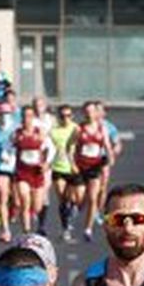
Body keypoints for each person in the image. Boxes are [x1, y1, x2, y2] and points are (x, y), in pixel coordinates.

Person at [11, 106, 54, 242]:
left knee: (37, 206)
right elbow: (8, 149)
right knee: (25, 200)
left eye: (29, 116)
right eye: (24, 116)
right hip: (22, 172)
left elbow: (51, 149)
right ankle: (27, 233)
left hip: (36, 173)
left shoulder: (40, 133)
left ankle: (31, 217)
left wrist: (46, 164)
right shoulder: (16, 134)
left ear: (33, 118)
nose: (26, 119)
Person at [70, 104, 111, 241]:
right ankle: (76, 207)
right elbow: (69, 147)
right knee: (80, 198)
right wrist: (72, 163)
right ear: (83, 113)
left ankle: (88, 229)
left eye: (91, 111)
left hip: (95, 166)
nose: (89, 114)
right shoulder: (79, 129)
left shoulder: (101, 128)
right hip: (81, 166)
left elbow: (106, 145)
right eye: (86, 112)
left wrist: (110, 158)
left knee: (93, 198)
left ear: (96, 113)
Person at [47, 104, 80, 242]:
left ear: (72, 116)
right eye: (62, 116)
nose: (65, 118)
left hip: (74, 168)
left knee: (75, 198)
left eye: (68, 115)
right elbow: (48, 148)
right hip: (58, 167)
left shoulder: (76, 129)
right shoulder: (53, 131)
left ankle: (73, 208)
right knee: (63, 199)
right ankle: (65, 228)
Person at [0, 102, 18, 237]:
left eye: (7, 113)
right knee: (3, 196)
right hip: (1, 166)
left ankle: (14, 212)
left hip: (17, 166)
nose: (4, 116)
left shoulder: (17, 129)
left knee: (17, 200)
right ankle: (5, 229)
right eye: (2, 114)